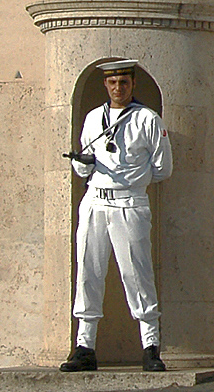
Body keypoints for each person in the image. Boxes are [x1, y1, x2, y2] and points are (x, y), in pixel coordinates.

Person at [59, 60, 173, 372]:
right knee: (88, 270)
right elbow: (82, 165)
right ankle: (85, 346)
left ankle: (150, 345)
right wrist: (84, 164)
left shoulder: (147, 119)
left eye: (123, 82)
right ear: (106, 85)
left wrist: (134, 180)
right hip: (95, 200)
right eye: (112, 82)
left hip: (129, 203)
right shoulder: (95, 117)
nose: (118, 88)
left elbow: (163, 168)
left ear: (132, 84)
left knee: (136, 273)